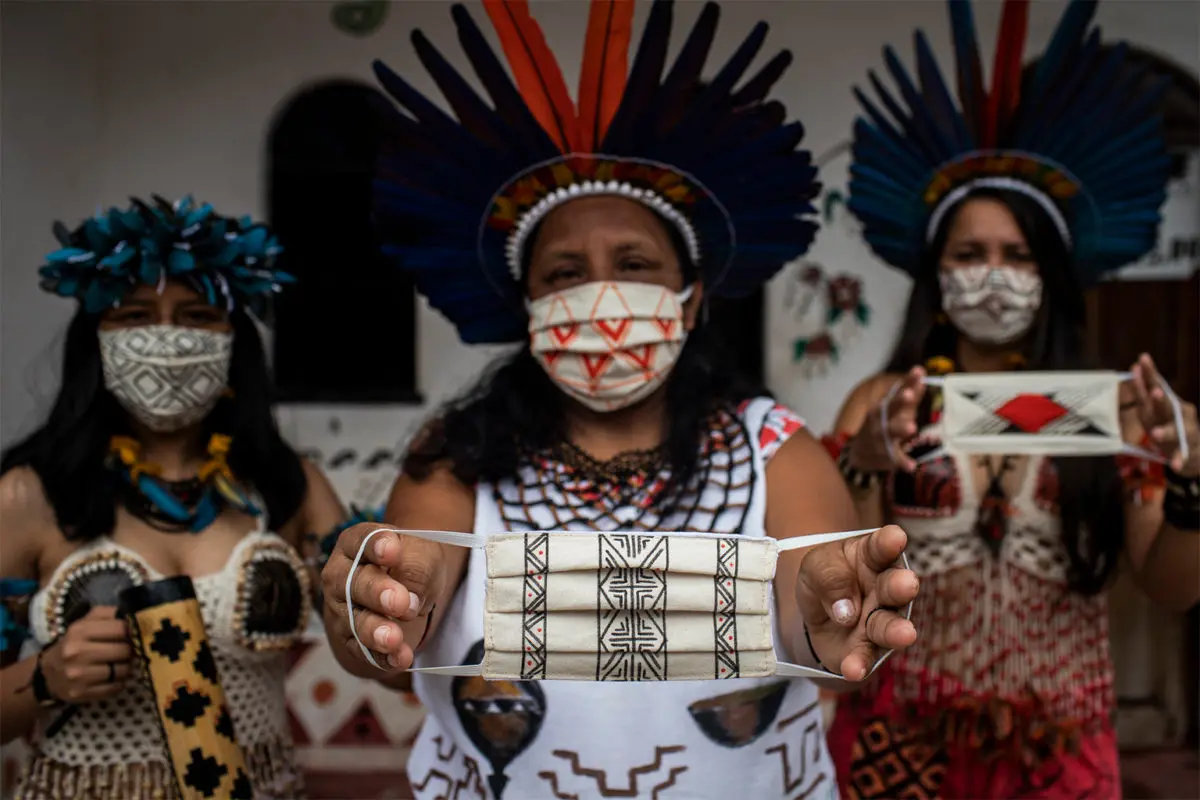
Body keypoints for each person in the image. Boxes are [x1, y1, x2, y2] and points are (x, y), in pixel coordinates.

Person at [319, 1, 921, 798]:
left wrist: (827, 604)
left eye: (634, 264)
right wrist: (372, 610)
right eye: (566, 275)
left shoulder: (771, 449)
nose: (602, 296)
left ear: (691, 297)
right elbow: (395, 646)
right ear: (527, 305)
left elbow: (830, 636)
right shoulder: (456, 458)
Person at [824, 1, 1200, 797]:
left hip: (1057, 749)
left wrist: (1191, 481)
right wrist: (862, 464)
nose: (991, 273)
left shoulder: (1115, 409)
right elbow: (826, 590)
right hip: (902, 746)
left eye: (1016, 255)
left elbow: (1174, 586)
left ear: (1050, 277)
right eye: (969, 253)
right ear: (937, 273)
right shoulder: (883, 400)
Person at [0, 196, 345, 798]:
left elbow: (376, 646)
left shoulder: (289, 486)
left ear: (235, 340)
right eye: (134, 315)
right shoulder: (29, 494)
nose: (166, 337)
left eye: (197, 316)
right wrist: (48, 676)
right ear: (95, 342)